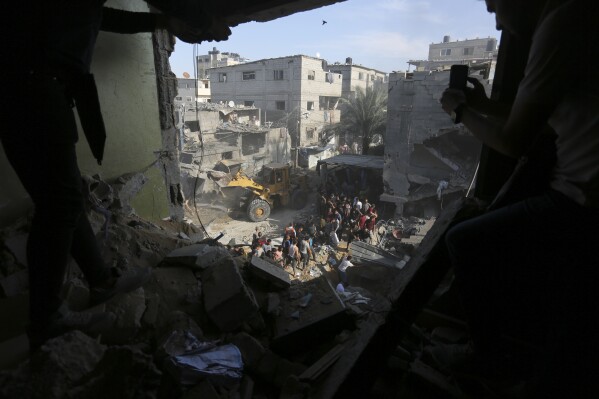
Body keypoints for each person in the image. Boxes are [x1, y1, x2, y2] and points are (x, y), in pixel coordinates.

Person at [1, 3, 230, 350]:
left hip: (30, 91)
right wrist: (191, 17)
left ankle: (101, 281)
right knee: (60, 203)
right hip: (34, 92)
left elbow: (103, 16)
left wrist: (165, 21)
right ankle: (47, 318)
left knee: (67, 195)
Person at [438, 0, 599, 395]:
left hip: (581, 199)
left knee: (463, 240)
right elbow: (544, 107)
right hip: (580, 191)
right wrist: (486, 106)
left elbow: (512, 141)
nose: (497, 22)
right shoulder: (572, 18)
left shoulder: (560, 25)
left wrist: (462, 113)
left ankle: (488, 355)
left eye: (495, 8)